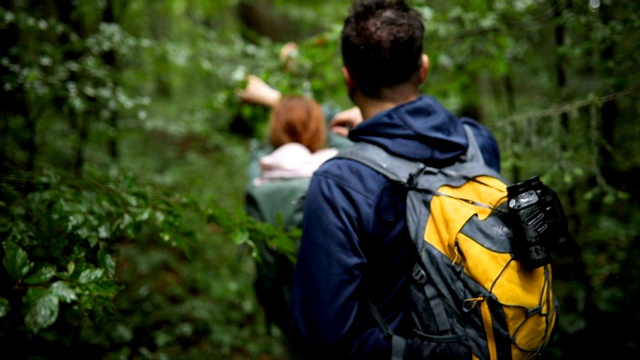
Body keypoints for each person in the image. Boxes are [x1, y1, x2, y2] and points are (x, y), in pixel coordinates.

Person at [289, 0, 501, 359]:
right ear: (423, 69)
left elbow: (327, 339)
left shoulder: (339, 183)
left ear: (348, 78)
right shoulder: (477, 143)